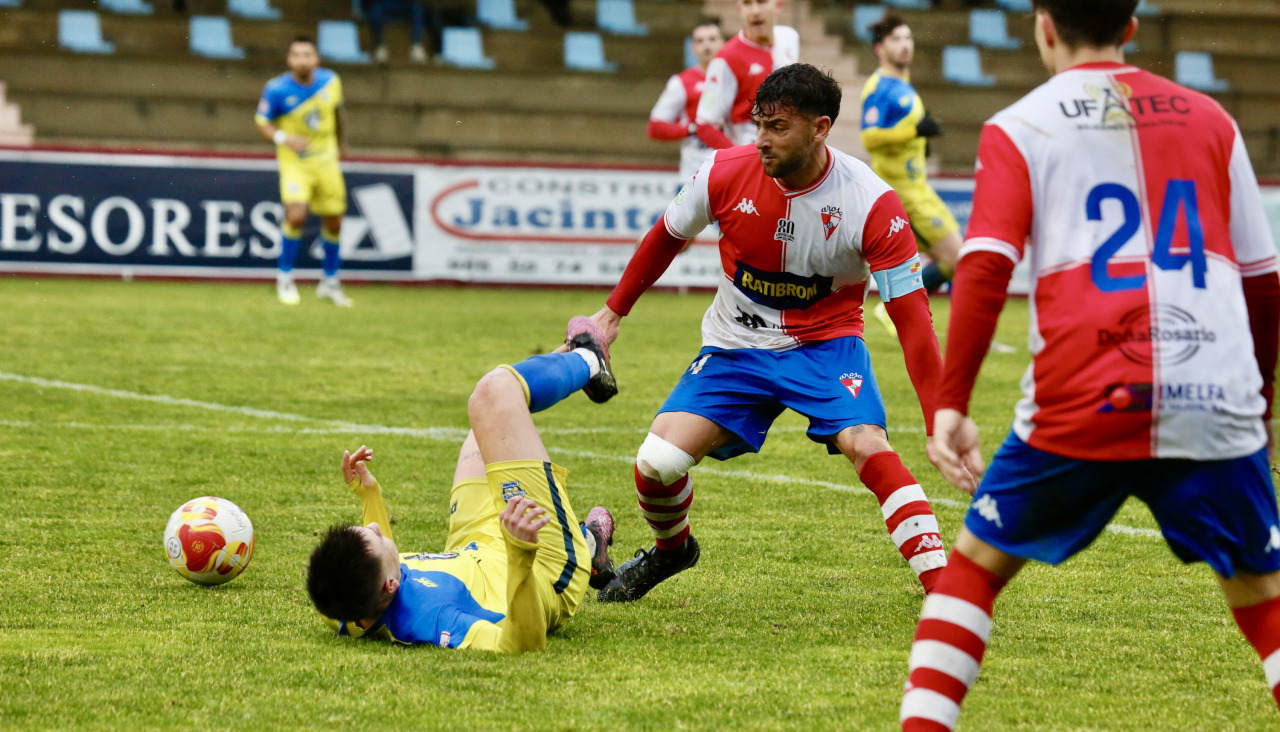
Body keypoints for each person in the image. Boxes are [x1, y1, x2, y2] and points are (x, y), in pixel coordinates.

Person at [900, 1, 1280, 729]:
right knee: (1263, 599)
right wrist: (1256, 412)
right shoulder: (1213, 120)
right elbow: (1264, 282)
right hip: (1216, 391)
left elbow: (983, 266)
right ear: (1130, 28)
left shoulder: (1020, 124)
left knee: (974, 568)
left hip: (1086, 391)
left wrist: (952, 403)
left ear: (1043, 25)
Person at [588, 64, 949, 603]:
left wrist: (939, 420)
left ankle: (946, 591)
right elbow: (666, 236)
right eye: (759, 124)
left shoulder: (873, 203)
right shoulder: (723, 172)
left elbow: (913, 320)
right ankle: (671, 551)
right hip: (736, 344)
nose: (761, 140)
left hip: (827, 345)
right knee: (656, 465)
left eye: (778, 127)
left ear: (821, 128)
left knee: (868, 446)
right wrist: (612, 313)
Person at [306, 318, 621, 650]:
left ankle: (575, 352)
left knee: (486, 423)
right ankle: (588, 358)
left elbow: (375, 564)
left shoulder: (342, 605)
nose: (373, 526)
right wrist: (520, 551)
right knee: (494, 395)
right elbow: (520, 644)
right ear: (389, 585)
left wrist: (369, 494)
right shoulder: (435, 618)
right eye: (373, 535)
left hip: (471, 542)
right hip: (542, 564)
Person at [859, 13, 960, 336]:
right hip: (902, 190)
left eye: (908, 38)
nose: (905, 45)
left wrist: (920, 140)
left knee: (953, 259)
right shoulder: (880, 87)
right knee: (959, 258)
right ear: (879, 48)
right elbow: (870, 137)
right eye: (896, 39)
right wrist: (914, 129)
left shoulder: (903, 84)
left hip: (918, 186)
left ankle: (895, 312)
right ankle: (898, 313)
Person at [255, 36, 352, 307]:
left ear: (316, 58)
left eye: (307, 54)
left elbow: (338, 114)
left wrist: (342, 144)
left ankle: (330, 282)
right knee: (296, 215)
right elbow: (262, 123)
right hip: (295, 163)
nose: (302, 60)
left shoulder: (331, 82)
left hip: (326, 161)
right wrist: (283, 138)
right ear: (289, 60)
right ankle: (285, 277)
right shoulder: (276, 89)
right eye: (296, 55)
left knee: (334, 221)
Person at [694, 0, 800, 150]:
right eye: (747, 3)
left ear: (778, 6)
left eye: (761, 2)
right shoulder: (725, 59)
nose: (755, 11)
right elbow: (705, 125)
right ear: (739, 10)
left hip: (788, 152)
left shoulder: (789, 38)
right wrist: (740, 160)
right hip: (753, 153)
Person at [647, 18, 726, 183]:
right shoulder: (681, 82)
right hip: (696, 169)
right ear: (693, 48)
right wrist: (692, 129)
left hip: (731, 163)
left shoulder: (736, 79)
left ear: (723, 42)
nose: (707, 46)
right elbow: (655, 127)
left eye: (712, 39)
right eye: (700, 41)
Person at [365, 0, 430, 64]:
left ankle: (416, 46)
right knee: (375, 10)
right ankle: (380, 46)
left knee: (417, 8)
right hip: (384, 5)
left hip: (404, 5)